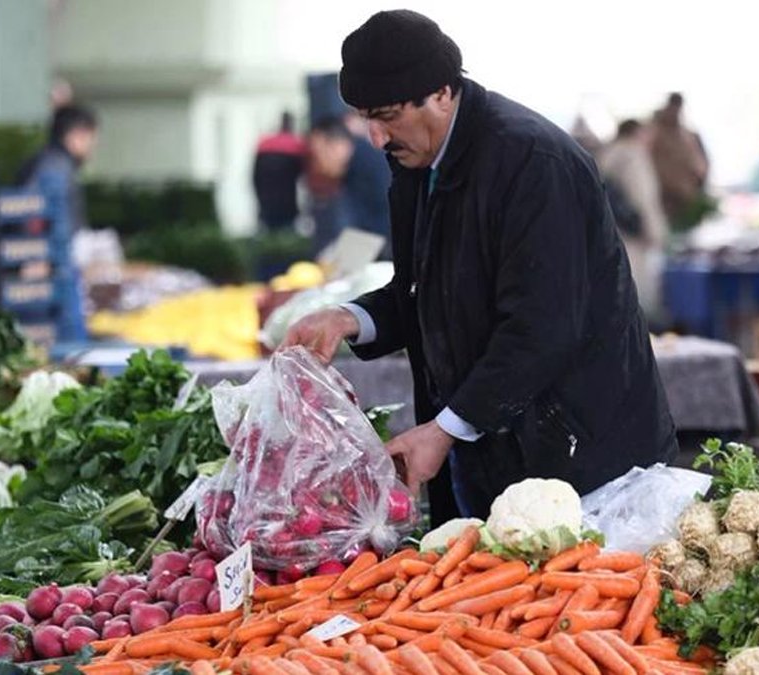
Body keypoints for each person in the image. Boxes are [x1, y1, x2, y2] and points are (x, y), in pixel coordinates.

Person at [281, 10, 677, 522]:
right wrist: (350, 318)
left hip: (584, 460)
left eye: (387, 116)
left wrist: (446, 429)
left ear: (442, 93)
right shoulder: (415, 160)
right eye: (365, 120)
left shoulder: (533, 163)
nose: (376, 139)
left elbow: (544, 326)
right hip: (496, 453)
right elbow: (425, 289)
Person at [598, 119, 669, 321]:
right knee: (638, 296)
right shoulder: (634, 156)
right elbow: (643, 197)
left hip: (614, 231)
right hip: (635, 235)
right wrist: (654, 231)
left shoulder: (606, 155)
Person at [306, 116, 393, 258]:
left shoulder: (371, 165)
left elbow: (383, 224)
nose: (318, 165)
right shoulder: (351, 169)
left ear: (336, 146)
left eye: (318, 156)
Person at [17, 104, 99, 232]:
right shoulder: (57, 166)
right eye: (91, 137)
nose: (93, 145)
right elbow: (31, 216)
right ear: (77, 134)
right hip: (55, 248)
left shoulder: (49, 160)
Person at [649, 93, 709, 226]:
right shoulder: (656, 134)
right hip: (666, 199)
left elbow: (699, 165)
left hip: (686, 198)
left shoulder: (687, 135)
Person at [253, 111, 307, 231]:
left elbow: (255, 178)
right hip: (287, 203)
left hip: (266, 203)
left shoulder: (264, 144)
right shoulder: (296, 145)